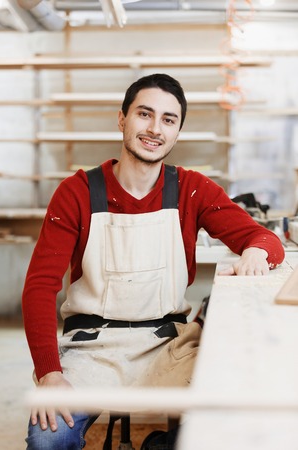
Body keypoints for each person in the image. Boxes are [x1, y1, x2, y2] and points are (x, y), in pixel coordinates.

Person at [22, 73, 285, 450]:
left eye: (168, 119)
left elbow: (264, 239)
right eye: (144, 114)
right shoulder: (76, 193)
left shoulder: (192, 189)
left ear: (177, 131)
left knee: (231, 417)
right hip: (91, 351)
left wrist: (256, 252)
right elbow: (39, 287)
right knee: (48, 440)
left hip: (168, 346)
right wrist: (49, 372)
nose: (155, 129)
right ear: (122, 119)